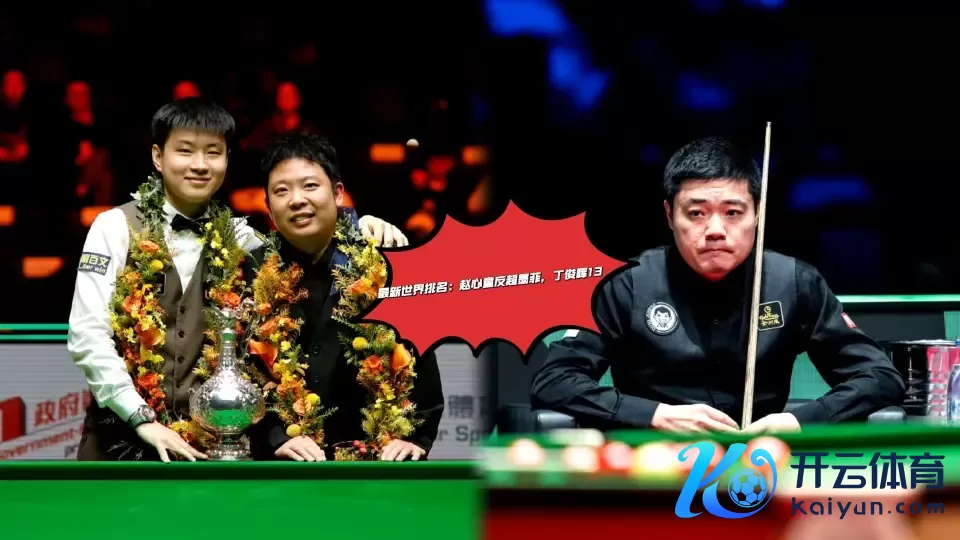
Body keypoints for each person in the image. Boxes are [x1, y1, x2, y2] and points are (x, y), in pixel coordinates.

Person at [69, 98, 409, 462]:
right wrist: (141, 418)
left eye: (213, 152)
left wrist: (358, 225)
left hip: (213, 449)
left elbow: (306, 238)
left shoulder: (242, 239)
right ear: (158, 157)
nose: (200, 164)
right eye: (185, 151)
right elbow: (88, 335)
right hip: (120, 440)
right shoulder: (115, 227)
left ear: (227, 160)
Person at [530, 136, 905, 434]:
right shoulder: (625, 286)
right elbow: (554, 381)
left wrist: (800, 421)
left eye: (733, 212)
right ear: (669, 215)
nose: (714, 230)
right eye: (696, 213)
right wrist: (655, 415)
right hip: (653, 464)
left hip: (762, 465)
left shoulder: (794, 283)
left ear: (757, 214)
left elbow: (880, 377)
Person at [245, 133, 444, 461]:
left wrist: (416, 438)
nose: (297, 200)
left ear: (337, 193)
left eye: (310, 186)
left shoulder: (383, 260)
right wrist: (275, 436)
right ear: (268, 206)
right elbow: (244, 370)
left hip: (374, 463)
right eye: (282, 191)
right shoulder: (253, 271)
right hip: (284, 463)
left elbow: (419, 356)